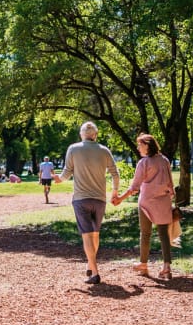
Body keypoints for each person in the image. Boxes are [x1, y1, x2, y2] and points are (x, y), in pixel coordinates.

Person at [54, 121, 119, 284]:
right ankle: (91, 264)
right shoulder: (104, 150)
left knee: (86, 236)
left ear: (81, 134)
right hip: (100, 199)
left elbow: (67, 172)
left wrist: (58, 180)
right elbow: (115, 173)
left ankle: (95, 272)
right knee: (95, 234)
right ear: (95, 135)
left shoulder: (73, 149)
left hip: (81, 199)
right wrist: (115, 192)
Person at [113, 133, 175, 280]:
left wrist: (120, 198)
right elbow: (170, 184)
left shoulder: (144, 163)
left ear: (147, 145)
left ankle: (144, 265)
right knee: (164, 235)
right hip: (164, 201)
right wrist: (169, 197)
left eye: (140, 144)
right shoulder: (165, 160)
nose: (138, 147)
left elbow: (134, 187)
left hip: (147, 202)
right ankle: (167, 267)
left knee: (145, 234)